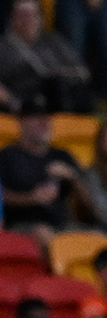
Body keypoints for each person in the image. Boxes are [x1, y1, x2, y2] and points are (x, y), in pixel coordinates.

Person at [0, 100, 84, 239]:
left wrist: (73, 177)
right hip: (23, 224)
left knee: (96, 239)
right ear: (22, 122)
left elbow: (91, 204)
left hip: (62, 224)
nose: (44, 122)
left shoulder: (62, 155)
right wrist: (31, 198)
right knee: (43, 233)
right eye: (37, 118)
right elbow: (2, 196)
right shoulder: (8, 155)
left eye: (46, 117)